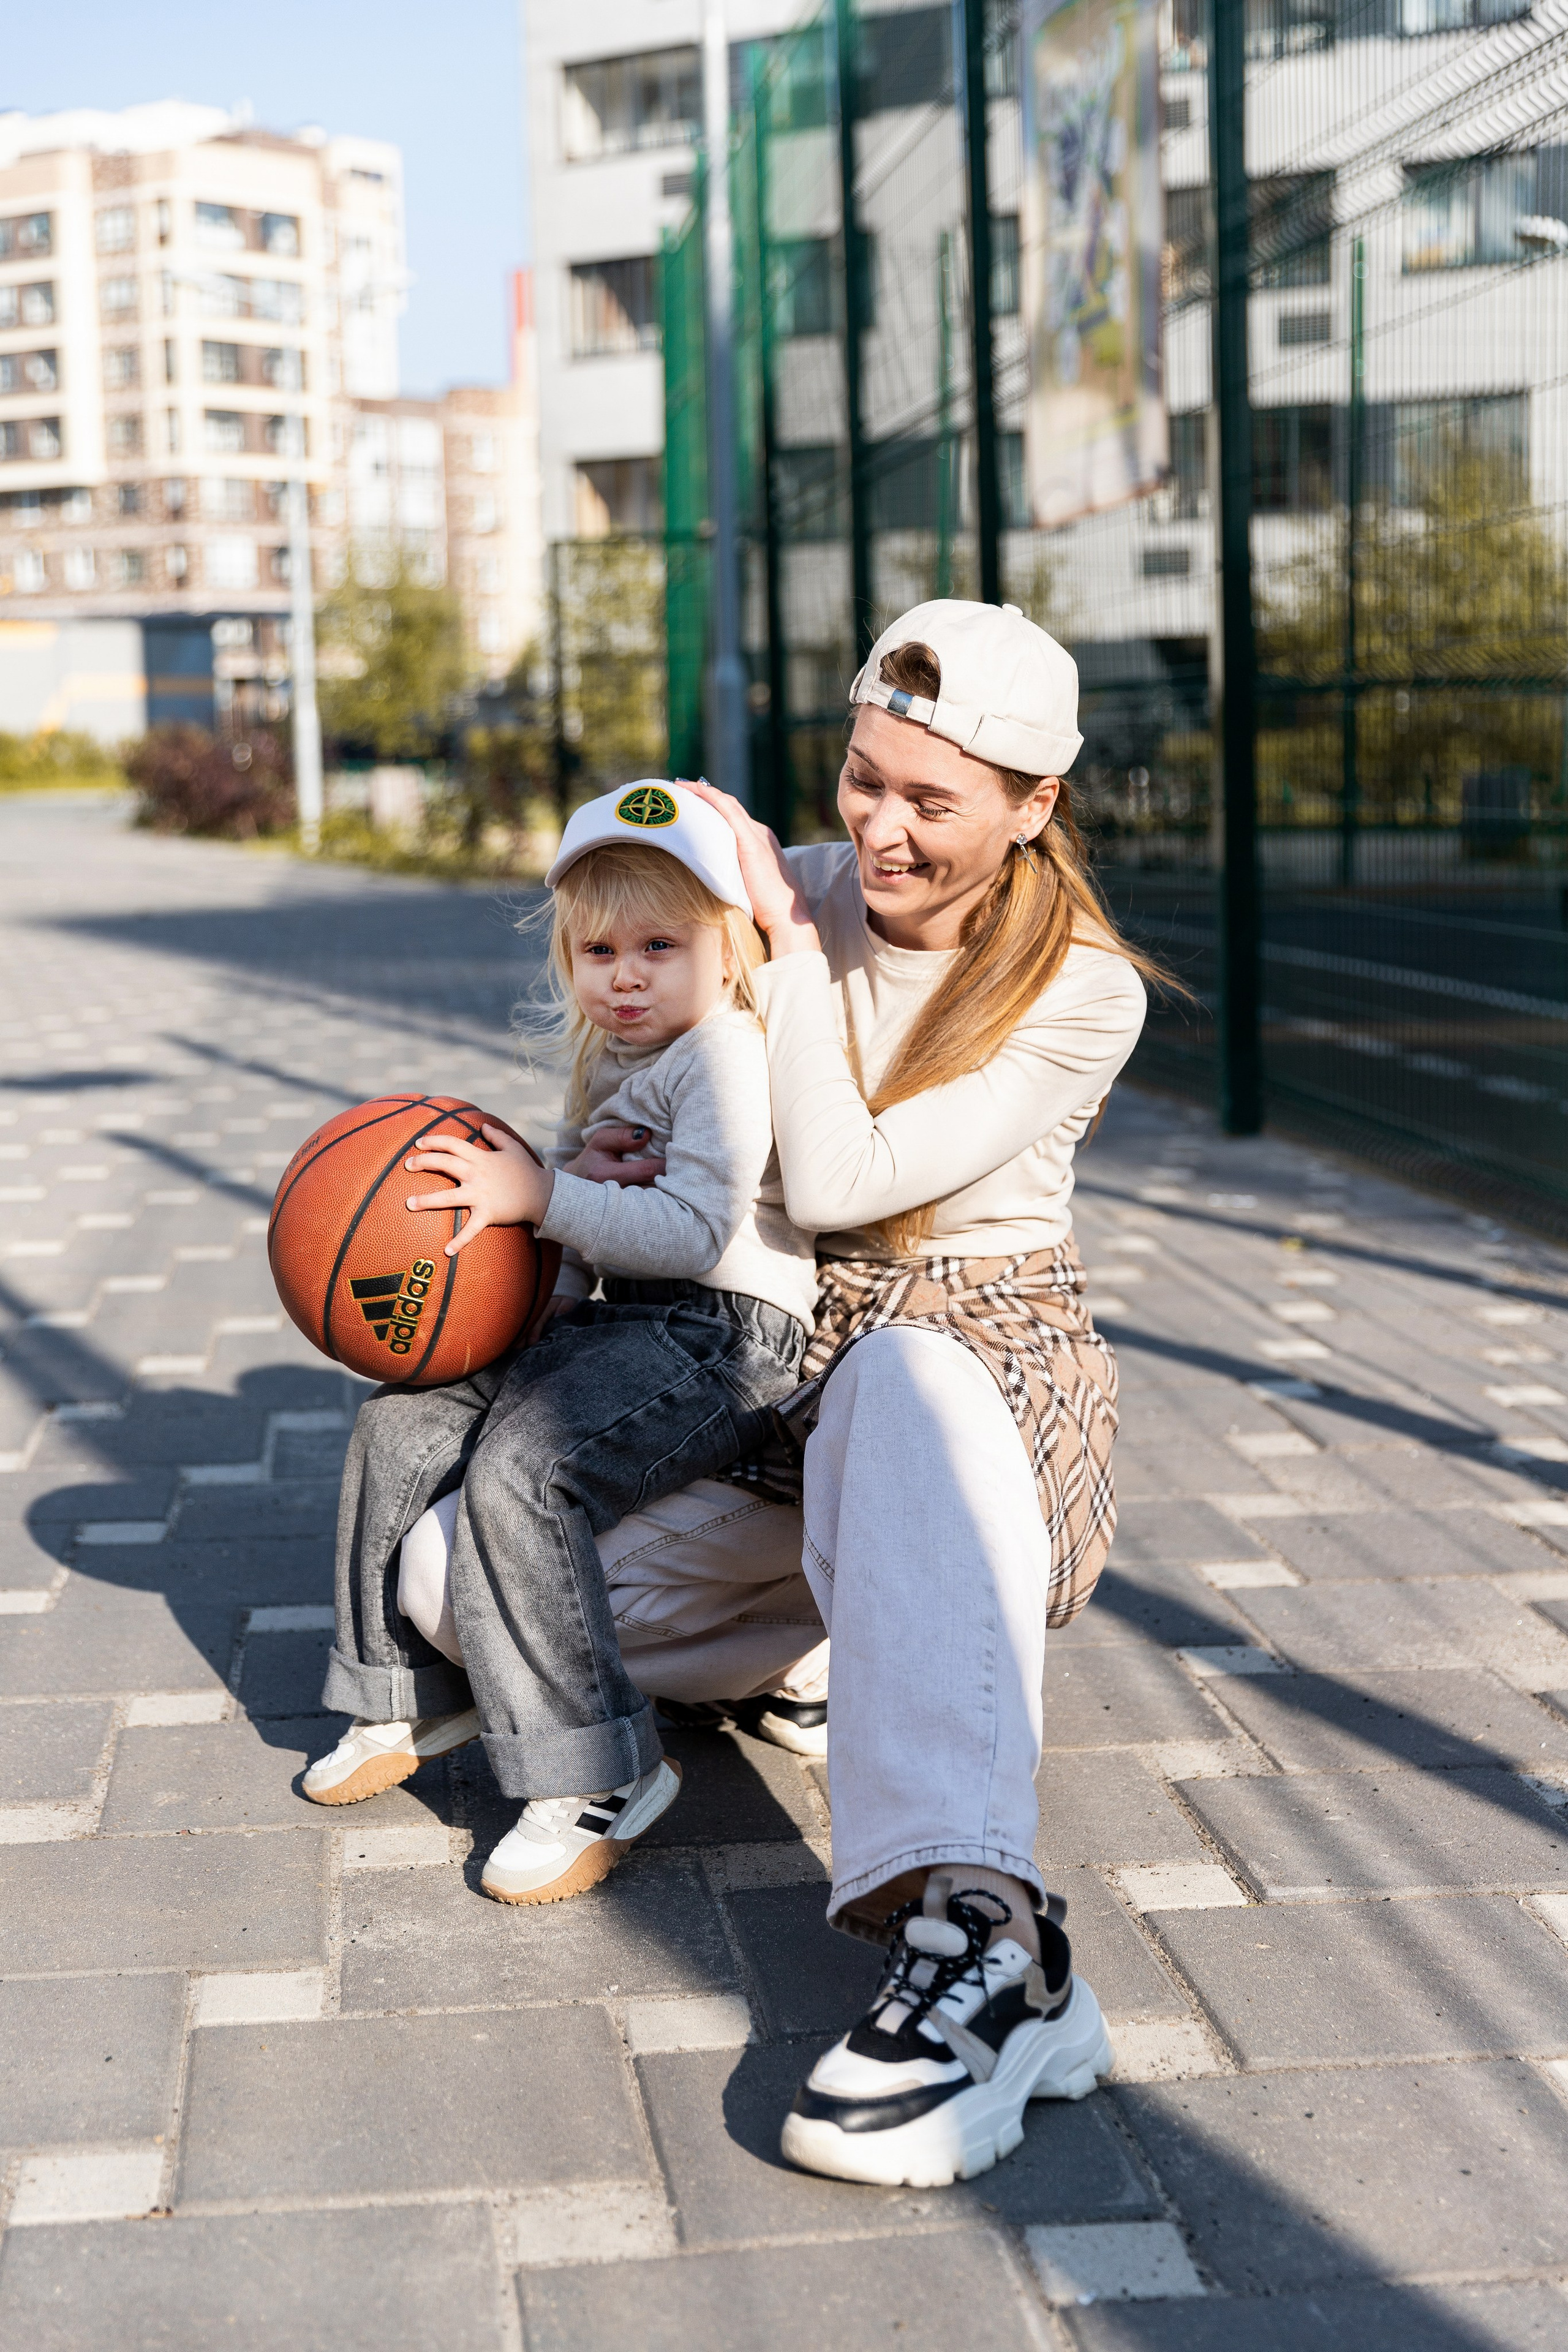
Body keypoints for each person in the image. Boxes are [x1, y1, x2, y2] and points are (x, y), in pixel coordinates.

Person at [586, 600, 1158, 2189]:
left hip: (980, 1371)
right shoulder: (802, 892)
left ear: (1034, 807)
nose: (880, 829)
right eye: (861, 779)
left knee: (902, 1385)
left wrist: (764, 940)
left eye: (932, 800)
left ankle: (994, 1940)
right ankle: (853, 1644)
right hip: (791, 1363)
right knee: (518, 1606)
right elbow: (661, 1073)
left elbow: (841, 1176)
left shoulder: (1082, 989)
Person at [301, 782, 820, 1904]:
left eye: (659, 946)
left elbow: (690, 1232)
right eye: (598, 949)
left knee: (529, 1467)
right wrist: (504, 1319)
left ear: (729, 950)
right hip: (631, 1325)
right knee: (406, 1417)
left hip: (732, 1335)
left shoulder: (724, 1054)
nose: (624, 974)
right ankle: (404, 1692)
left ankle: (599, 1773)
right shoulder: (606, 1063)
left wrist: (541, 1194)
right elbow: (576, 1249)